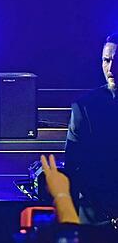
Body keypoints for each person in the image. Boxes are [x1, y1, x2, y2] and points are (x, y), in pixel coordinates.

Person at [64, 33, 118, 227]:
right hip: (96, 216)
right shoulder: (85, 107)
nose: (111, 68)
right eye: (106, 60)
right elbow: (73, 165)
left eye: (116, 60)